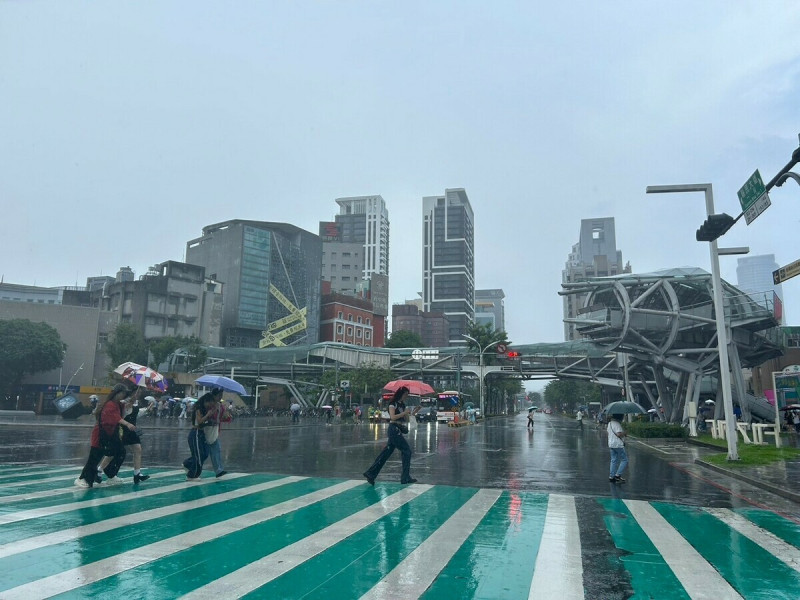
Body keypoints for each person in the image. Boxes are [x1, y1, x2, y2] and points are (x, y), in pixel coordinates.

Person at [363, 386, 420, 485]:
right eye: (406, 394)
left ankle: (371, 474)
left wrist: (414, 412)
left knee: (386, 454)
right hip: (394, 430)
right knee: (407, 451)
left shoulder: (403, 405)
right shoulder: (392, 404)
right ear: (401, 394)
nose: (407, 396)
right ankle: (405, 477)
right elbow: (393, 417)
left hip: (399, 429)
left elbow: (406, 419)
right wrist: (404, 413)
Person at [97, 384, 137, 485]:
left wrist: (131, 400)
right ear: (117, 393)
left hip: (113, 431)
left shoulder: (118, 404)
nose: (123, 395)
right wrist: (127, 424)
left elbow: (121, 414)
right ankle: (105, 473)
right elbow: (116, 418)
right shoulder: (110, 404)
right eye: (122, 393)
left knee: (115, 452)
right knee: (118, 452)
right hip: (107, 432)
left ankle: (104, 472)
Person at [183, 387, 224, 479]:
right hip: (196, 433)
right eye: (210, 402)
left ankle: (187, 464)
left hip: (201, 434)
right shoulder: (199, 408)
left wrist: (213, 416)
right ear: (206, 401)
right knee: (198, 455)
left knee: (205, 453)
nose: (211, 404)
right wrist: (208, 415)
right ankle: (192, 475)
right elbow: (200, 421)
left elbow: (206, 422)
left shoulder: (206, 409)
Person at [120, 387, 150, 483]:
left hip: (132, 429)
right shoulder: (124, 402)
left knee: (138, 449)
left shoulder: (136, 402)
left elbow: (136, 414)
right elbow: (121, 416)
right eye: (137, 392)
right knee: (113, 453)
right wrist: (128, 406)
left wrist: (146, 410)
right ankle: (99, 471)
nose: (138, 394)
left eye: (140, 392)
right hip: (123, 429)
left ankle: (137, 473)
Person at [607, 413, 628, 483]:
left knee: (613, 460)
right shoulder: (617, 424)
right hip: (618, 445)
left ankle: (611, 476)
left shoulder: (609, 423)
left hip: (611, 444)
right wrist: (624, 433)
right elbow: (619, 434)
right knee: (625, 460)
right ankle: (618, 475)